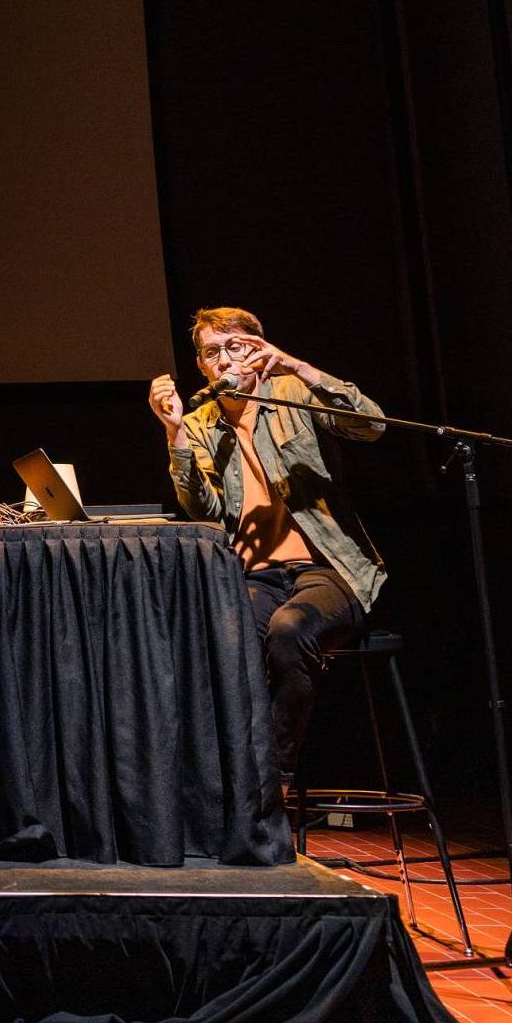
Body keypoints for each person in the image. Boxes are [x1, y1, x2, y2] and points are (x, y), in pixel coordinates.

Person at [147, 306, 387, 794]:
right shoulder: (199, 423)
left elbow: (372, 426)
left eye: (235, 346)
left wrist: (295, 365)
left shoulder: (294, 393)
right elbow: (207, 515)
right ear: (200, 365)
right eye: (213, 352)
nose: (225, 359)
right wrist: (174, 433)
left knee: (289, 629)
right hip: (255, 577)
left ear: (257, 348)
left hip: (327, 569)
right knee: (223, 645)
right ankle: (214, 786)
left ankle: (271, 782)